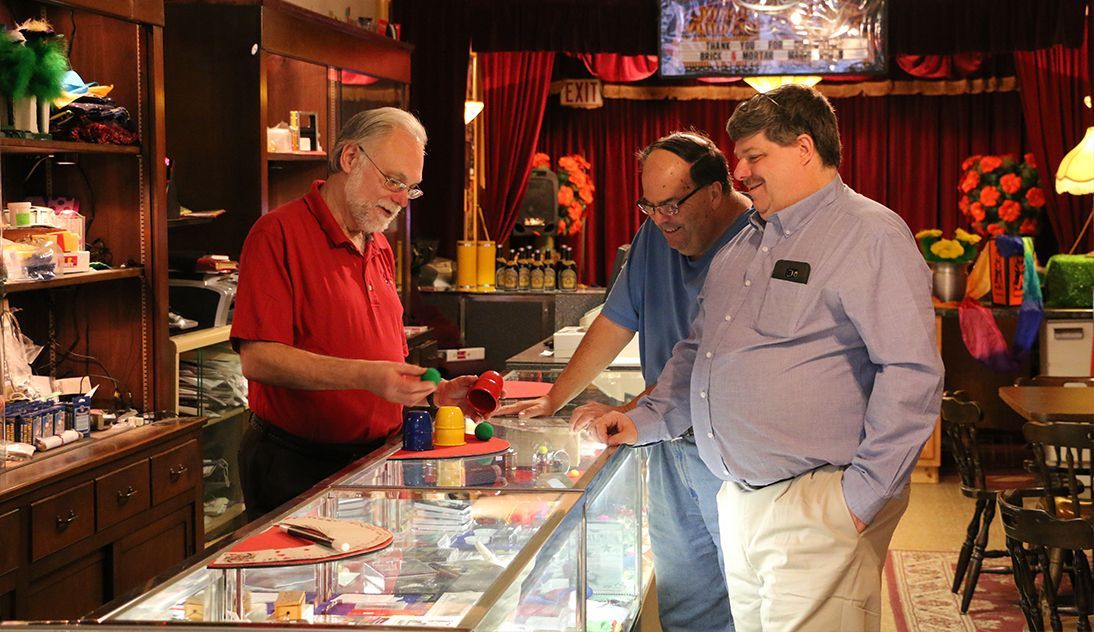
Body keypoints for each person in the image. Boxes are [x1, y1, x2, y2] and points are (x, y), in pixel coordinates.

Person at [590, 84, 944, 632]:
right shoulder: (745, 242)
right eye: (739, 159)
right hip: (740, 501)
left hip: (819, 501)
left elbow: (912, 373)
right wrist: (644, 420)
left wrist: (860, 497)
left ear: (804, 148)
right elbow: (697, 355)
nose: (742, 172)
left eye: (755, 157)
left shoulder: (869, 234)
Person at [499, 131, 753, 631]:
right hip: (666, 442)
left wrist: (635, 408)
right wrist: (554, 397)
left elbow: (704, 365)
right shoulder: (656, 235)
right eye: (649, 207)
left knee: (749, 598)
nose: (662, 221)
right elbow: (616, 320)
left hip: (732, 448)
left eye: (673, 205)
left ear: (716, 192)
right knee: (686, 602)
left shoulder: (758, 240)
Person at [232, 107, 475, 520]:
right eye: (394, 181)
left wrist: (431, 395)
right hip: (296, 466)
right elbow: (259, 358)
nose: (401, 199)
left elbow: (383, 360)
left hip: (374, 461)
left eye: (410, 188)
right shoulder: (277, 234)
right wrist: (366, 376)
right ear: (349, 159)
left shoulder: (378, 245)